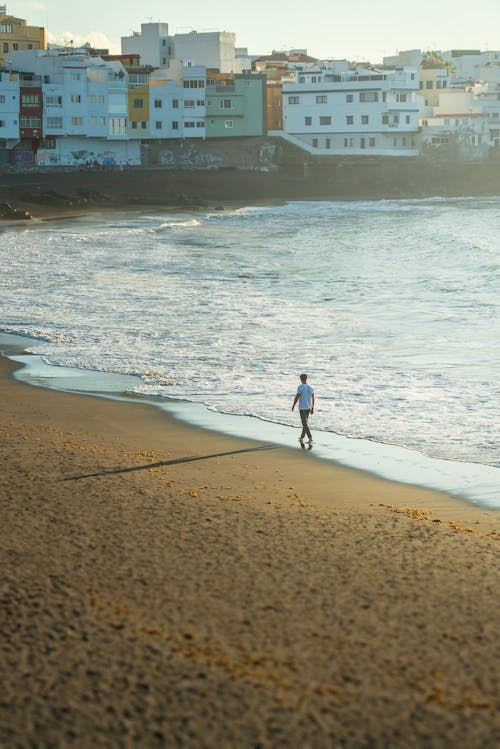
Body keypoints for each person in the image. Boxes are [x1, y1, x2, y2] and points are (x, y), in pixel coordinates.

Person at [292, 373, 315, 446]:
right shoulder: (310, 387)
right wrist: (312, 407)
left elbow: (297, 397)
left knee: (304, 424)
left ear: (301, 379)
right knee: (305, 423)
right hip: (308, 407)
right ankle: (302, 437)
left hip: (302, 407)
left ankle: (310, 438)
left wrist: (293, 405)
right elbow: (313, 398)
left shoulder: (300, 387)